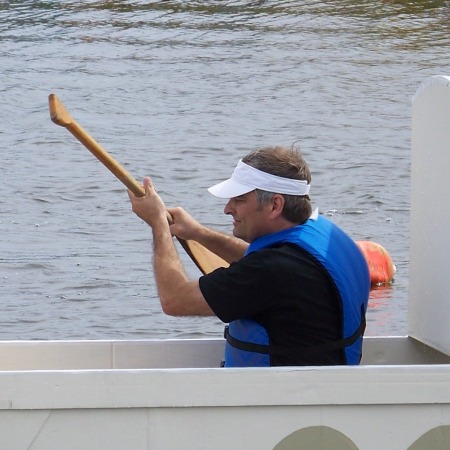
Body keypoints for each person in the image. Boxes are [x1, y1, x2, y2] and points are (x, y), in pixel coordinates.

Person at [128, 146, 370, 367]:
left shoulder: (272, 271)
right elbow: (260, 261)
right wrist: (198, 234)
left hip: (281, 404)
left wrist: (158, 223)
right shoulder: (325, 237)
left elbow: (175, 300)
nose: (227, 208)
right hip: (323, 391)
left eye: (239, 199)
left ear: (275, 205)